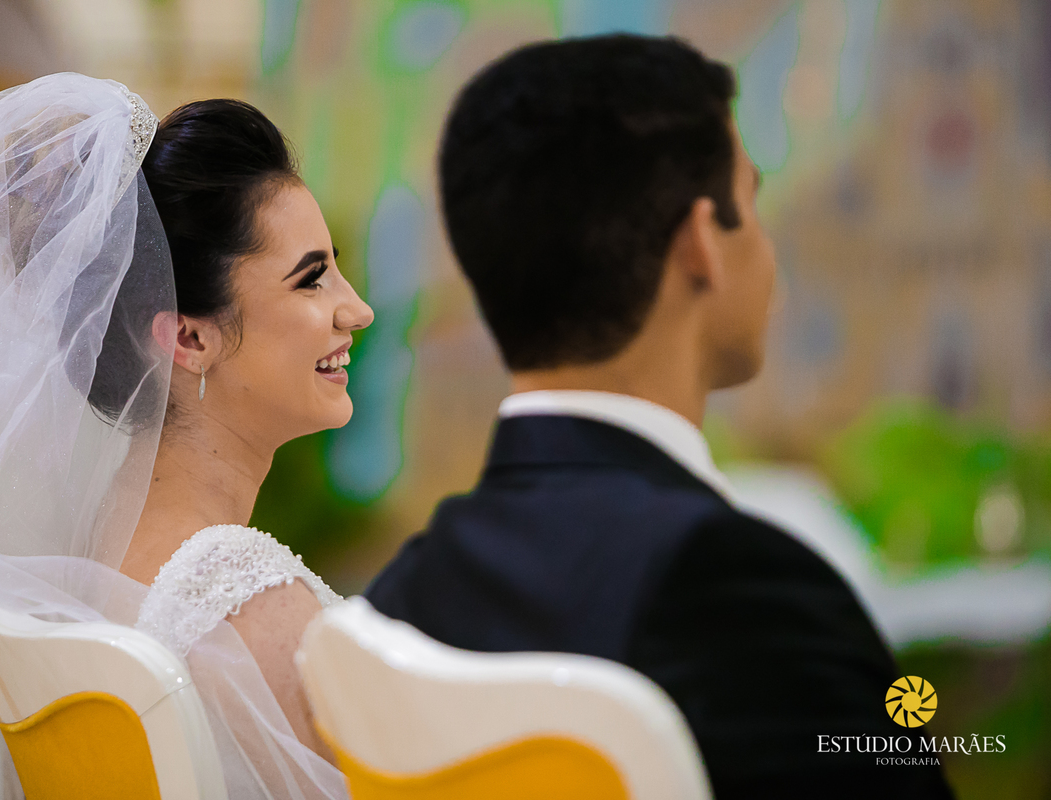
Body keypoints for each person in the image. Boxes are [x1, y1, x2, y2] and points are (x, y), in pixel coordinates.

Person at [366, 36, 955, 798]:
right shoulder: (736, 588)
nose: (767, 247)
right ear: (703, 242)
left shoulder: (402, 596)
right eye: (752, 203)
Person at [0, 73, 370, 799]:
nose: (358, 310)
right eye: (311, 279)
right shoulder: (248, 603)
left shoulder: (103, 553)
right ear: (188, 337)